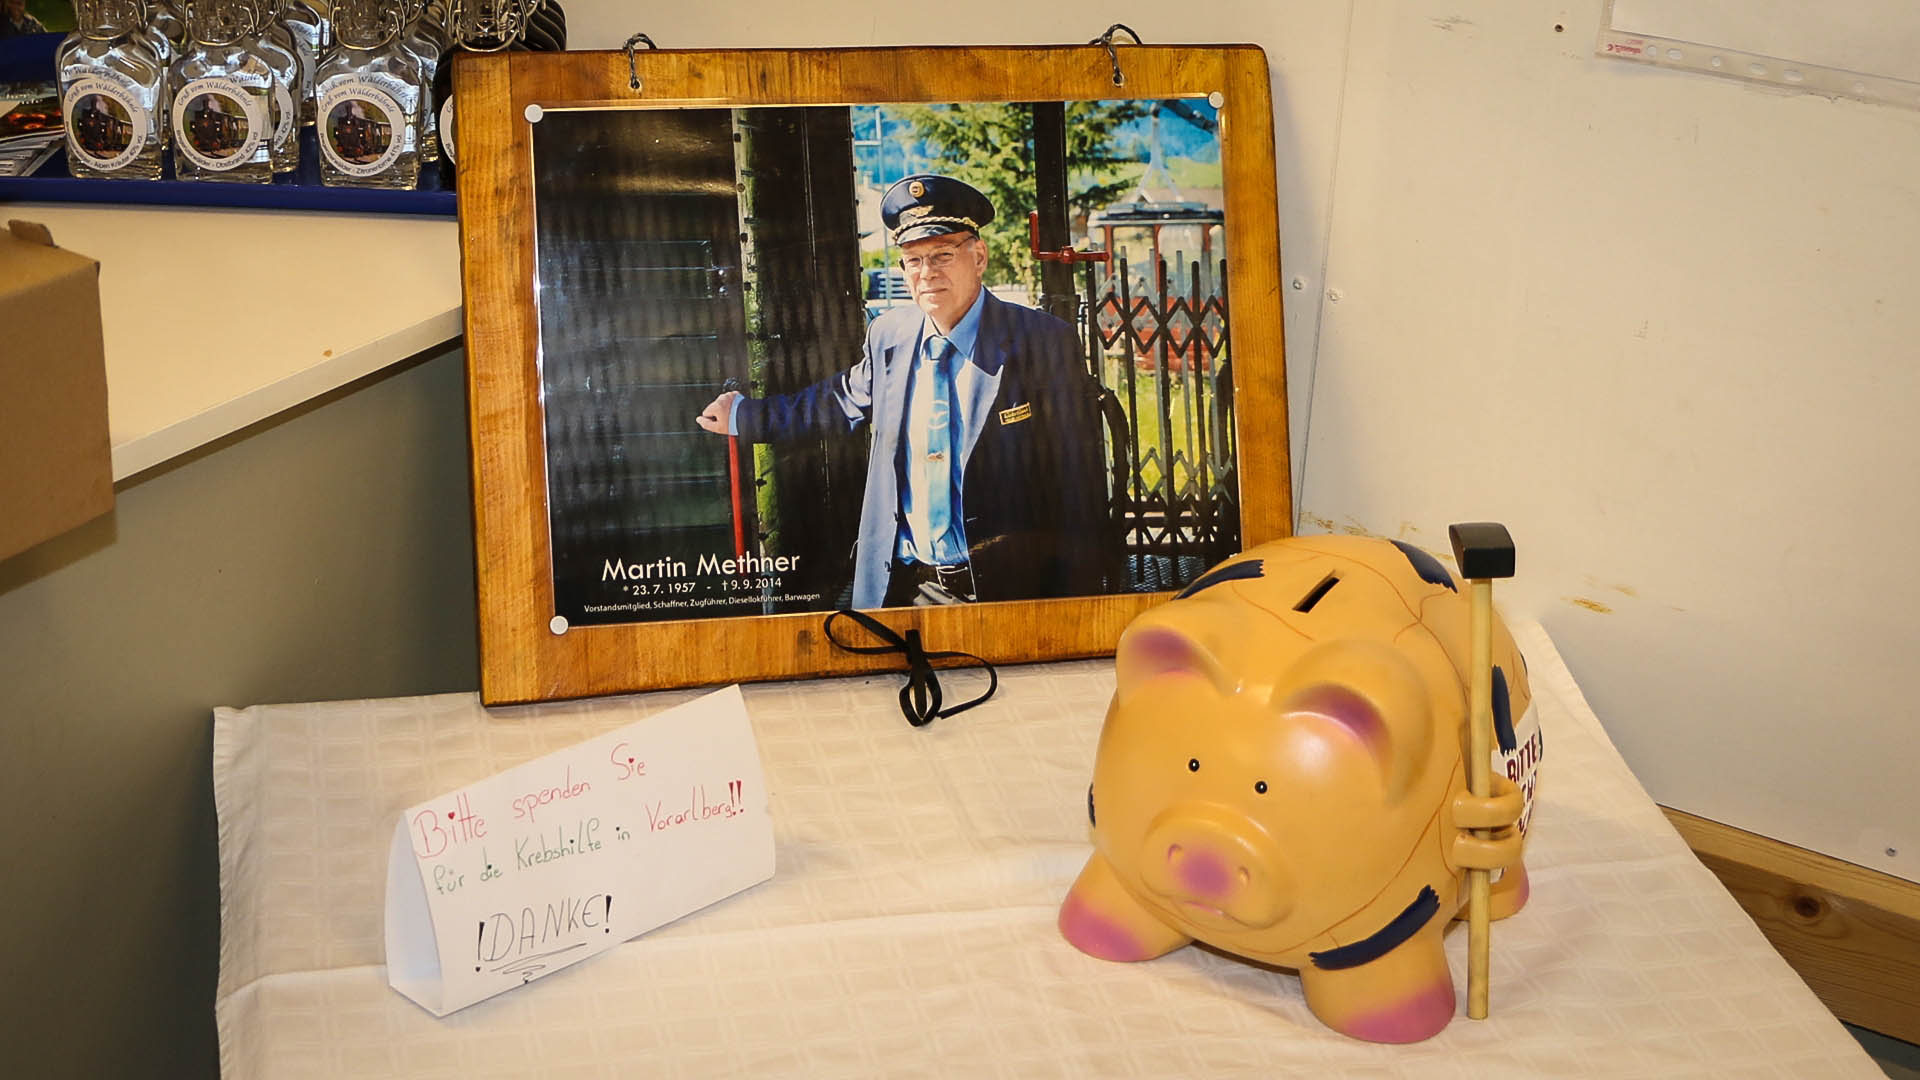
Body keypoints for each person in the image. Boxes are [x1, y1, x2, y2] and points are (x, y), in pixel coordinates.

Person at [696, 173, 1111, 609]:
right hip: (903, 588)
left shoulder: (1041, 341)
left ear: (979, 257)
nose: (927, 273)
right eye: (913, 260)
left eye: (942, 255)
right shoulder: (889, 336)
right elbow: (838, 401)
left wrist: (1077, 601)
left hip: (1002, 593)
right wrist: (744, 415)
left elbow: (1077, 481)